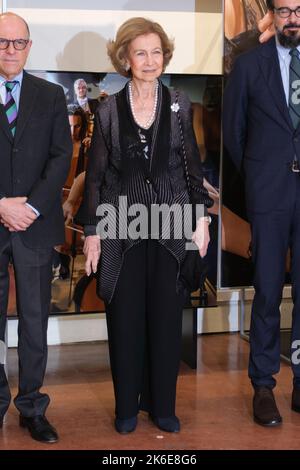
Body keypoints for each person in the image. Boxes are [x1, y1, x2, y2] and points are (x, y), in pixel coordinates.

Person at [79, 17, 213, 434]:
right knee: (125, 318)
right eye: (141, 52)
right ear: (126, 58)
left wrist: (201, 219)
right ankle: (125, 408)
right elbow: (97, 178)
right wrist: (93, 233)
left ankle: (163, 407)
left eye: (157, 52)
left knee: (166, 317)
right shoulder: (108, 111)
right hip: (122, 226)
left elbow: (191, 169)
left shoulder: (179, 103)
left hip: (172, 224)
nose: (150, 60)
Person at [223, 0, 300, 427]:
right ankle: (264, 385)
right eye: (286, 10)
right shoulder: (249, 66)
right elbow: (234, 137)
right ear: (273, 13)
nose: (294, 17)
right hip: (269, 195)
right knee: (268, 291)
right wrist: (260, 177)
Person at [0, 12, 72, 442]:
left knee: (33, 320)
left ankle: (31, 406)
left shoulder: (50, 95)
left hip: (34, 224)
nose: (11, 49)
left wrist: (31, 208)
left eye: (18, 42)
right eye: (3, 41)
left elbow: (61, 157)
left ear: (30, 47)